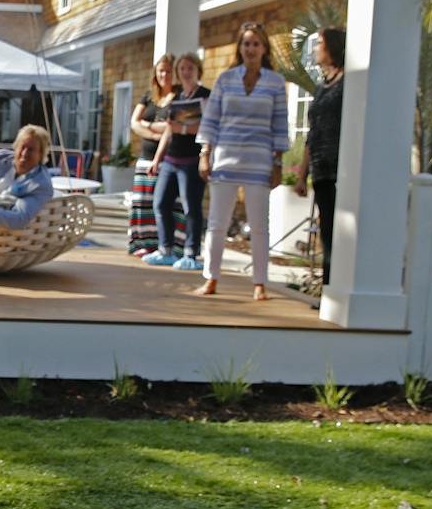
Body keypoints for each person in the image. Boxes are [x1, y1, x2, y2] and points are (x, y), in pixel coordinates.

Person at [195, 23, 289, 301]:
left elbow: (280, 123)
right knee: (217, 223)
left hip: (259, 161)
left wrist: (278, 163)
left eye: (256, 44)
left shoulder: (275, 82)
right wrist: (205, 154)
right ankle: (210, 278)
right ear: (240, 47)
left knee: (259, 225)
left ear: (264, 48)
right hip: (225, 158)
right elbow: (211, 118)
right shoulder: (225, 79)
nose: (251, 49)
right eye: (246, 43)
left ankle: (260, 283)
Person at [145, 53, 209, 270]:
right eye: (182, 68)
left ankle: (191, 253)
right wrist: (157, 159)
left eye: (190, 67)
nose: (185, 71)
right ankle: (166, 250)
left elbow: (207, 127)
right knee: (160, 204)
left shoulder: (205, 95)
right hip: (171, 160)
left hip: (192, 160)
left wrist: (185, 128)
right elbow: (169, 131)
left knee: (191, 207)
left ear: (197, 70)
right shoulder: (178, 97)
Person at [293, 27, 345, 285]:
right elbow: (312, 134)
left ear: (332, 47)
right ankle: (328, 289)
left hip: (342, 171)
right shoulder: (323, 87)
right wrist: (302, 175)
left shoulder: (349, 83)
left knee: (340, 235)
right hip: (322, 171)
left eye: (319, 43)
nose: (314, 49)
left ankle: (335, 288)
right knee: (327, 234)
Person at [127, 55, 175, 256]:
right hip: (145, 158)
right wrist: (155, 133)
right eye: (161, 70)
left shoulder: (178, 96)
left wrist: (149, 125)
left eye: (168, 71)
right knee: (141, 202)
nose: (164, 74)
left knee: (161, 203)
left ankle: (160, 245)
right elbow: (134, 122)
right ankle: (141, 243)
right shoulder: (149, 96)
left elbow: (171, 126)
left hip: (166, 160)